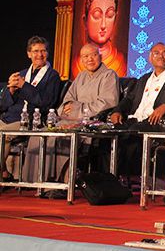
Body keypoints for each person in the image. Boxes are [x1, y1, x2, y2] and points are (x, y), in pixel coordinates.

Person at [21, 43, 120, 183]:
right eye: (85, 56)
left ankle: (60, 182)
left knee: (61, 139)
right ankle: (35, 181)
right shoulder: (81, 76)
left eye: (93, 55)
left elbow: (107, 103)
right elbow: (67, 100)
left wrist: (77, 108)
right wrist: (67, 107)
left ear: (101, 56)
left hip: (90, 122)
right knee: (40, 136)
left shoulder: (109, 75)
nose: (90, 59)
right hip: (68, 120)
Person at [110, 43, 165, 177]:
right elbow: (129, 99)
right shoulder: (143, 79)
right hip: (134, 119)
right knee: (109, 134)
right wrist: (117, 110)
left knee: (131, 133)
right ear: (150, 58)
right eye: (157, 53)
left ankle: (125, 178)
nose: (161, 56)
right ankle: (108, 178)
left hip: (155, 122)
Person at [1, 36, 61, 182]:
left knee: (3, 134)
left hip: (30, 120)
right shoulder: (21, 74)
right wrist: (11, 91)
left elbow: (46, 102)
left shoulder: (52, 76)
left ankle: (3, 174)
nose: (39, 55)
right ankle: (3, 171)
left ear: (48, 53)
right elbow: (3, 105)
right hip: (8, 117)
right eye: (35, 51)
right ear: (28, 54)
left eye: (43, 51)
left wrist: (24, 86)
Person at [72, 0, 127, 78]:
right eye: (97, 16)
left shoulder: (122, 61)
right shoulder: (75, 63)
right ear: (85, 21)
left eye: (110, 15)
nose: (103, 25)